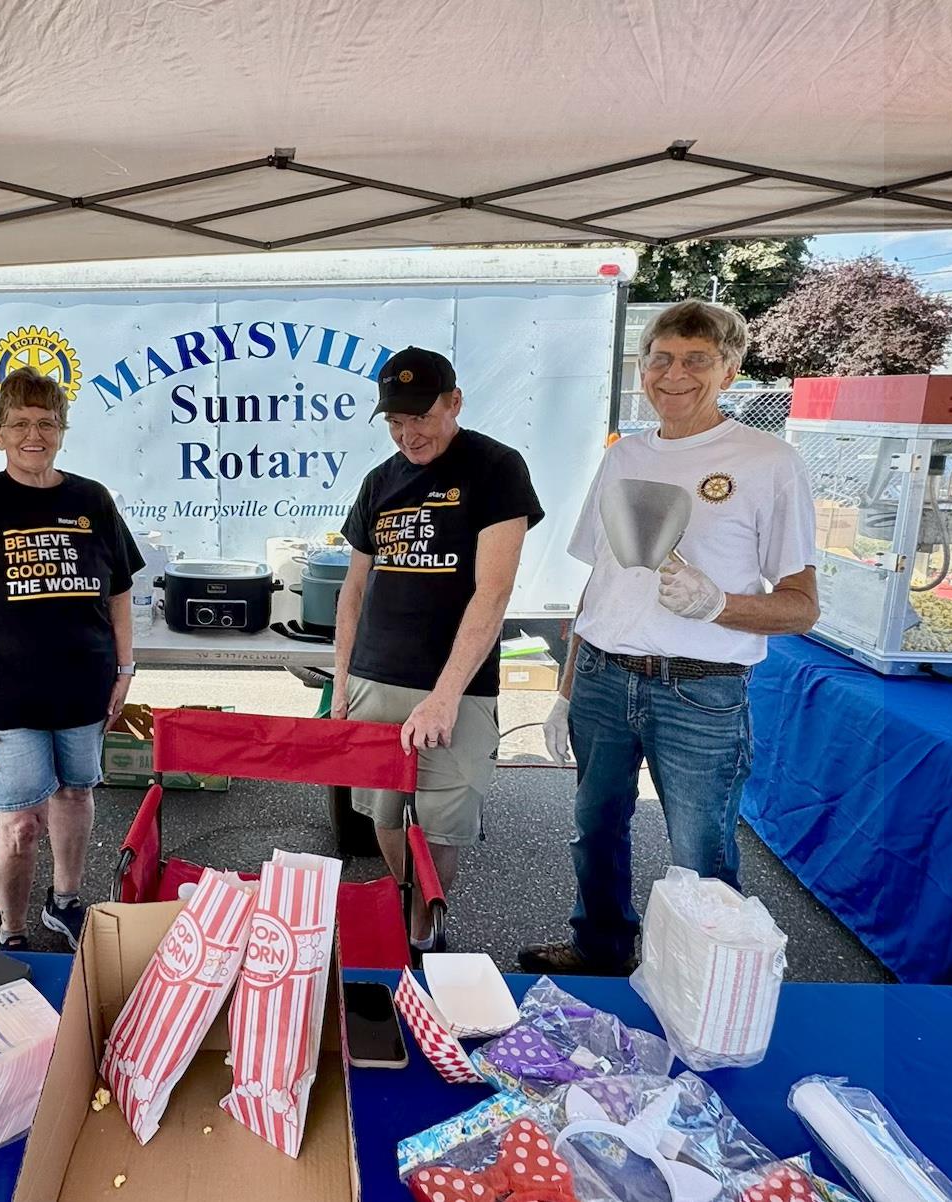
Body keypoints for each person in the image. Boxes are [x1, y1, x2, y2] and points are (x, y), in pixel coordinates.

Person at [520, 299, 818, 975]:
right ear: (642, 367)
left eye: (696, 360)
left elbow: (801, 609)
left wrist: (718, 604)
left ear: (729, 371)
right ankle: (599, 949)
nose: (673, 374)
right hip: (602, 679)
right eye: (661, 358)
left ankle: (706, 983)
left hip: (699, 691)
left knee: (701, 854)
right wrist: (566, 690)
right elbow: (599, 582)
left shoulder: (767, 462)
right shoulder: (624, 456)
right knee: (594, 831)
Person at [0, 367, 143, 953]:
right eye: (19, 424)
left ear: (62, 431)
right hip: (5, 701)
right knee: (19, 822)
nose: (33, 435)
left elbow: (120, 594)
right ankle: (12, 929)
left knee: (75, 795)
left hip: (84, 691)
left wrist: (125, 670)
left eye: (46, 423)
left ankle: (64, 901)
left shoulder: (92, 499)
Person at [334, 347, 543, 949]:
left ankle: (427, 925)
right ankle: (407, 906)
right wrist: (342, 682)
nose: (409, 434)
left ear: (455, 402)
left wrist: (446, 695)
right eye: (396, 422)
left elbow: (493, 591)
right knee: (382, 810)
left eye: (421, 417)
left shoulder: (496, 467)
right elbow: (353, 591)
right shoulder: (381, 480)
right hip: (375, 676)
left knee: (442, 819)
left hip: (456, 686)